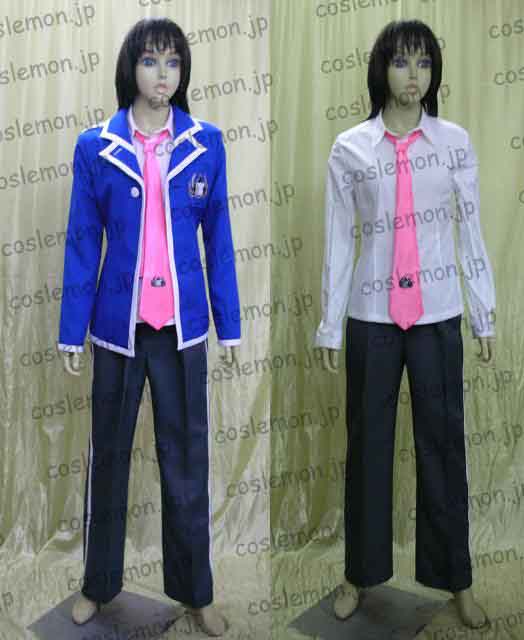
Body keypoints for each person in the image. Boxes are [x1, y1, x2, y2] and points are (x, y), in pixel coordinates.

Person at [57, 17, 241, 637]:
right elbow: (83, 241)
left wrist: (229, 324)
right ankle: (98, 584)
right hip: (118, 329)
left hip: (181, 330)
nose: (163, 74)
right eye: (150, 61)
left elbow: (219, 239)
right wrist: (71, 330)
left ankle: (196, 593)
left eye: (173, 62)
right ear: (130, 68)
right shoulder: (97, 146)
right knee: (108, 457)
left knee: (186, 461)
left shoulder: (206, 143)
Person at [314, 19, 495, 630]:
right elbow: (339, 240)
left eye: (423, 63)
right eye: (401, 62)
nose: (413, 75)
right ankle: (359, 574)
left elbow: (470, 229)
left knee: (443, 446)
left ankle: (456, 579)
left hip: (437, 313)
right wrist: (329, 324)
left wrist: (484, 311)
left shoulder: (454, 142)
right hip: (372, 317)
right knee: (367, 446)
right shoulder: (350, 148)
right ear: (381, 70)